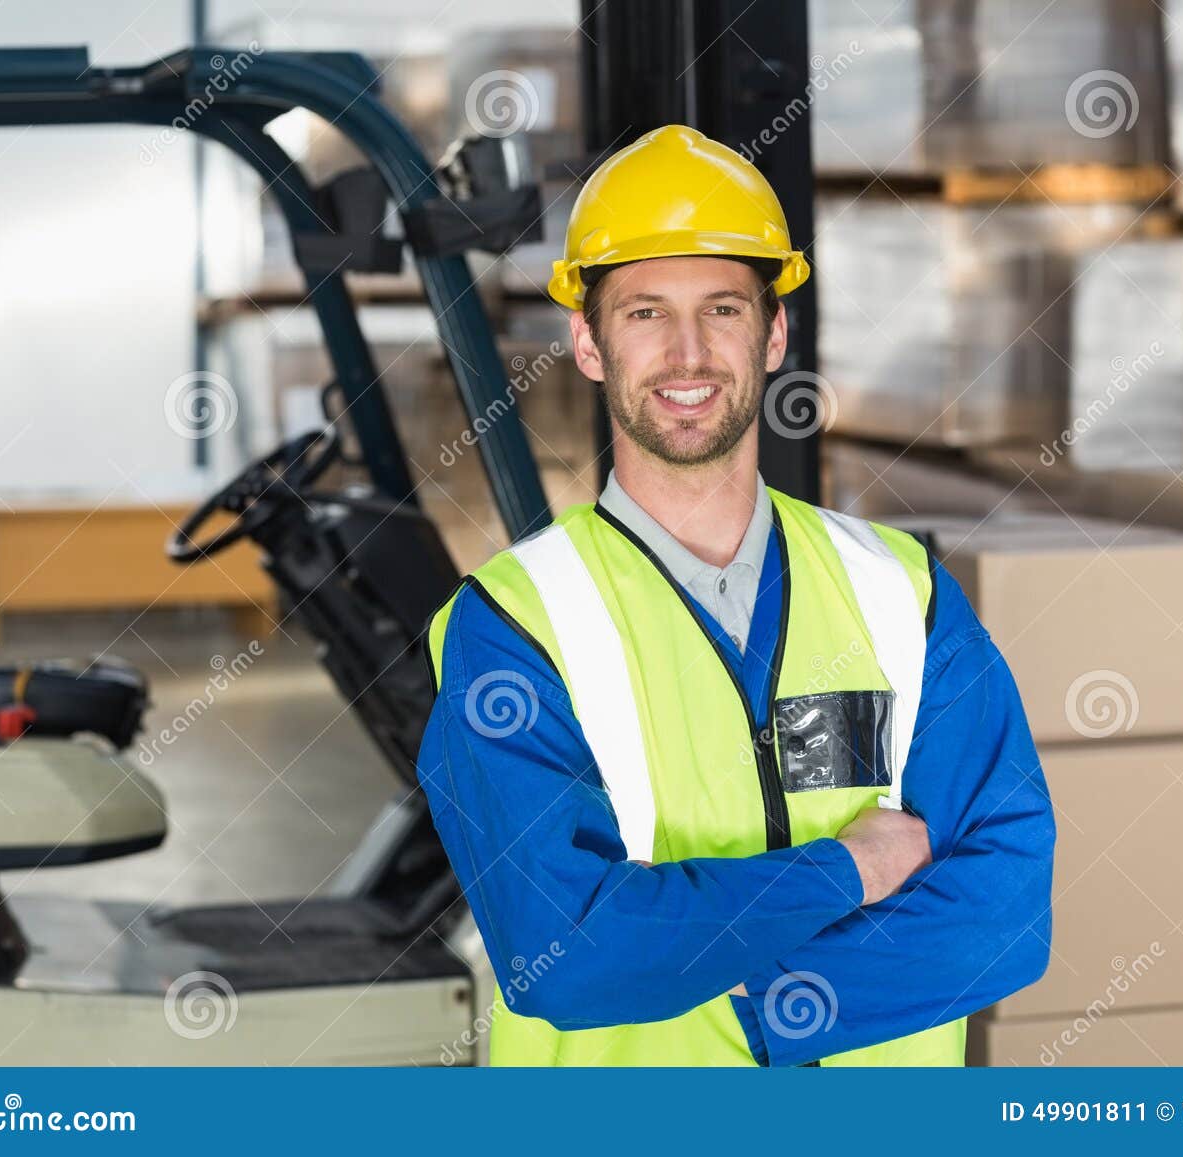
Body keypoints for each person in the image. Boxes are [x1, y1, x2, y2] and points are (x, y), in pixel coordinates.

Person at [416, 125, 1055, 1066]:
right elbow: (569, 952)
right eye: (644, 313)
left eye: (721, 309)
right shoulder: (514, 625)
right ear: (587, 343)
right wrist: (851, 868)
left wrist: (781, 1002)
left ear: (774, 333)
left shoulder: (901, 593)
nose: (687, 353)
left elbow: (1005, 905)